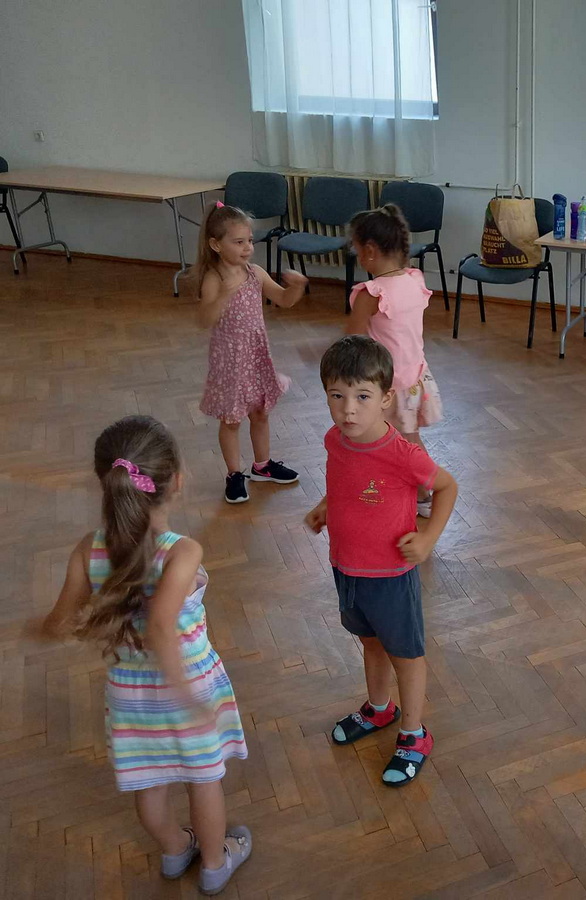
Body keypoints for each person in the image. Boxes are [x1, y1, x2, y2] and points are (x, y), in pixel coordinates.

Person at [36, 416, 251, 895]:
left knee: (149, 783)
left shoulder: (88, 549)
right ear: (177, 481)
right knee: (203, 781)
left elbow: (60, 620)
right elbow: (160, 623)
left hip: (129, 696)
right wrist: (182, 688)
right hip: (186, 686)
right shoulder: (182, 552)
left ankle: (175, 849)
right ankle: (215, 863)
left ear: (106, 484)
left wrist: (41, 628)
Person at [305, 335, 458, 786]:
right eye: (337, 396)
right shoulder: (336, 440)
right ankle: (379, 709)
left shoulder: (402, 455)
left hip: (391, 575)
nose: (348, 410)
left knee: (405, 655)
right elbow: (344, 482)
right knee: (370, 642)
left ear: (386, 398)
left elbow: (447, 487)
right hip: (347, 567)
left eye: (362, 397)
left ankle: (414, 733)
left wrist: (428, 537)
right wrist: (327, 506)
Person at [195, 202, 308, 505]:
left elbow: (283, 300)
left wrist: (296, 287)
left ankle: (263, 466)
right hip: (229, 361)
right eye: (238, 242)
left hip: (256, 356)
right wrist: (225, 293)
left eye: (249, 241)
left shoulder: (255, 273)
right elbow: (204, 319)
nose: (247, 248)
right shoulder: (214, 278)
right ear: (216, 245)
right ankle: (235, 474)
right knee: (232, 420)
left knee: (260, 412)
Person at [345, 203, 443, 517]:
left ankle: (418, 493)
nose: (357, 256)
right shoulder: (414, 278)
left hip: (388, 385)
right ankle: (417, 492)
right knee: (406, 439)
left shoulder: (372, 293)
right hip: (415, 378)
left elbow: (351, 342)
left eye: (357, 250)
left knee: (385, 441)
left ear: (370, 251)